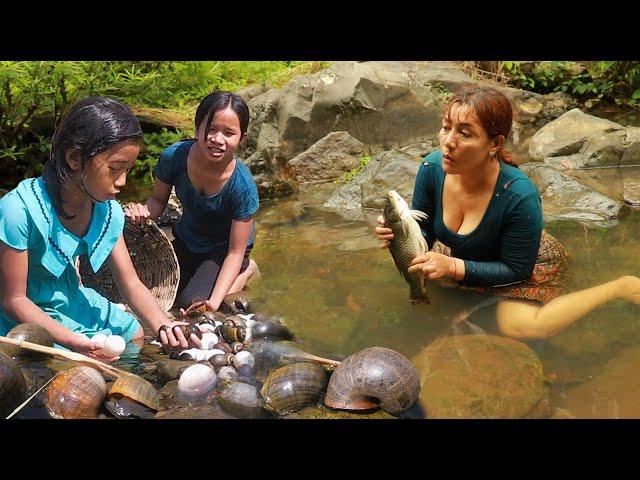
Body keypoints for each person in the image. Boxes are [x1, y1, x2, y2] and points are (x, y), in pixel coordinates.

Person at [375, 85, 640, 340]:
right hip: (461, 253)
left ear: (494, 144)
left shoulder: (519, 195)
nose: (448, 142)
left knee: (524, 327)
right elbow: (425, 231)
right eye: (446, 128)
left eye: (464, 134)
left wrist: (453, 267)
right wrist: (401, 233)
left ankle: (619, 286)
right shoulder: (431, 168)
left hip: (520, 261)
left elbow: (516, 270)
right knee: (428, 294)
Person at [0, 96, 200, 362]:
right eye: (115, 169)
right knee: (75, 361)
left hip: (69, 298)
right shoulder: (19, 210)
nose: (123, 182)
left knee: (136, 332)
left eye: (128, 169)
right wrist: (74, 341)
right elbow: (14, 300)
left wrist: (164, 324)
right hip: (25, 311)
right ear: (74, 159)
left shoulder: (105, 209)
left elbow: (130, 282)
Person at [125, 91, 259, 316]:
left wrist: (215, 303)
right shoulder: (174, 156)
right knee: (151, 291)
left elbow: (235, 252)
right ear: (197, 128)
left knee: (193, 307)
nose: (217, 139)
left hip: (223, 250)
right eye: (211, 129)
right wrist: (143, 212)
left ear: (241, 138)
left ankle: (246, 271)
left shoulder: (242, 186)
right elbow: (157, 201)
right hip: (188, 239)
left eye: (229, 133)